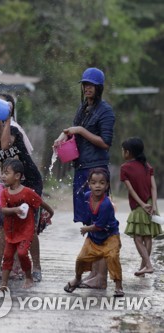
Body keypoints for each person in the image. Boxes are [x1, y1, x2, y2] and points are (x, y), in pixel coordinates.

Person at [54, 67, 115, 289]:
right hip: (81, 169)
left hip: (96, 169)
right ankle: (94, 274)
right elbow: (73, 130)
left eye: (91, 85)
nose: (87, 88)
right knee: (89, 221)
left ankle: (101, 277)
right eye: (84, 84)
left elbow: (105, 142)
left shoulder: (105, 111)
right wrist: (64, 136)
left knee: (100, 222)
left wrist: (80, 130)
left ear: (99, 88)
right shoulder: (83, 108)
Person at [0, 94, 45, 282]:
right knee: (1, 226)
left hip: (30, 181)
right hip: (11, 184)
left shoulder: (13, 130)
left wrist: (6, 119)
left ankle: (37, 267)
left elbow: (5, 145)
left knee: (29, 225)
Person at [64, 168, 123, 297]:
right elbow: (87, 215)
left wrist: (86, 229)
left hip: (110, 236)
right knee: (80, 259)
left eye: (102, 183)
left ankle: (118, 287)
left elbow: (100, 226)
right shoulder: (86, 197)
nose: (97, 186)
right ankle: (77, 278)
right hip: (94, 237)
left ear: (107, 185)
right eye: (94, 182)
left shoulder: (106, 204)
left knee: (112, 258)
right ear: (89, 184)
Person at [0, 159, 54, 290]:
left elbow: (41, 203)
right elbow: (3, 210)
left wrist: (50, 213)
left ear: (17, 176)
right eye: (3, 173)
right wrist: (15, 210)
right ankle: (3, 284)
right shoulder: (4, 193)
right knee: (7, 256)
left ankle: (28, 277)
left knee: (22, 253)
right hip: (11, 231)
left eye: (6, 173)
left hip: (25, 231)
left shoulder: (27, 192)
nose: (3, 176)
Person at [120, 137, 162, 276]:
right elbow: (153, 187)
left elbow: (131, 190)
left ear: (128, 152)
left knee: (138, 238)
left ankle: (148, 265)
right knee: (147, 237)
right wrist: (153, 205)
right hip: (151, 205)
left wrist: (142, 205)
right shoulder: (147, 166)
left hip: (140, 206)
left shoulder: (124, 168)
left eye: (123, 150)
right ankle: (143, 268)